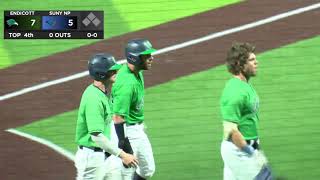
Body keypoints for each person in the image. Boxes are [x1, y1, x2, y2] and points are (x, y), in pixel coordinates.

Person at [75, 53, 138, 180]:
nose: (116, 71)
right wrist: (123, 155)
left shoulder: (102, 93)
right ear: (101, 74)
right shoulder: (94, 98)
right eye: (112, 70)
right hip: (92, 158)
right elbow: (96, 136)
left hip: (103, 155)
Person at [220, 42, 273, 180]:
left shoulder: (245, 85)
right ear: (240, 64)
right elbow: (231, 130)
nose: (257, 62)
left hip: (248, 145)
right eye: (252, 60)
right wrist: (250, 152)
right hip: (238, 150)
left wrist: (256, 147)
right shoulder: (235, 91)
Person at [112, 38, 156, 180]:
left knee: (147, 169)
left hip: (137, 128)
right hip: (126, 131)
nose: (151, 58)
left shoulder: (137, 72)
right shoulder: (127, 84)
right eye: (147, 56)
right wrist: (124, 145)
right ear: (134, 58)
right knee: (123, 174)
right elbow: (118, 118)